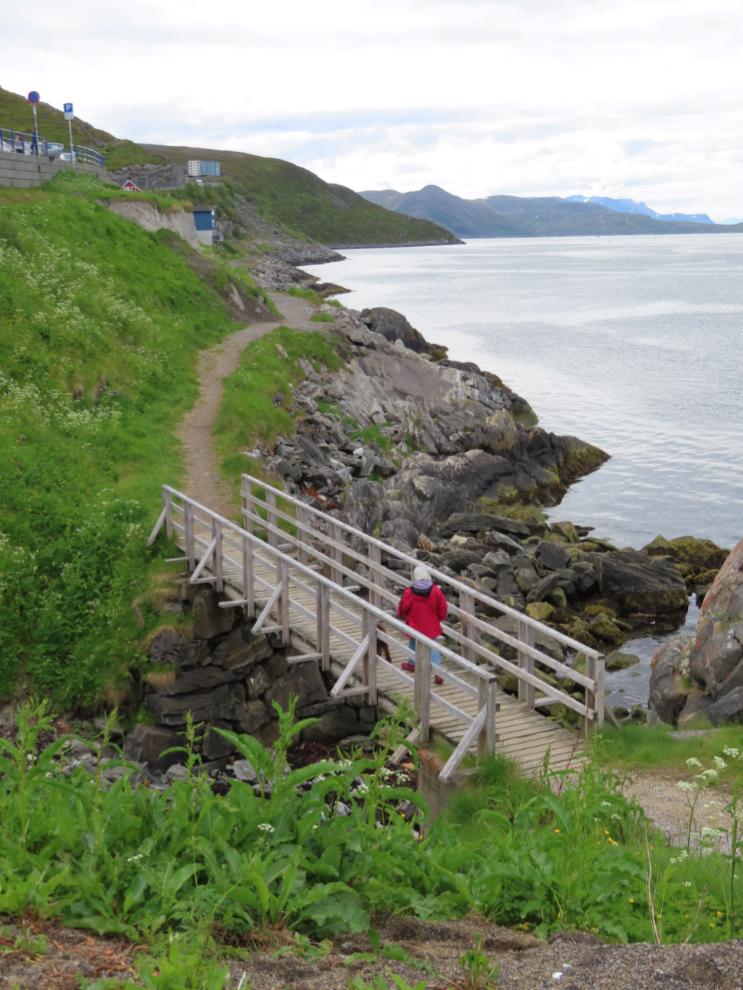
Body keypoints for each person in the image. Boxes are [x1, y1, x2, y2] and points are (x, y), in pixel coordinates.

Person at [398, 565, 447, 686]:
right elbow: (443, 609)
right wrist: (437, 619)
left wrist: (401, 614)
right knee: (434, 648)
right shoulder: (436, 591)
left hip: (414, 625)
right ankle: (438, 673)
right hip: (430, 625)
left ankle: (412, 663)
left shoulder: (409, 592)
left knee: (412, 643)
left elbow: (403, 609)